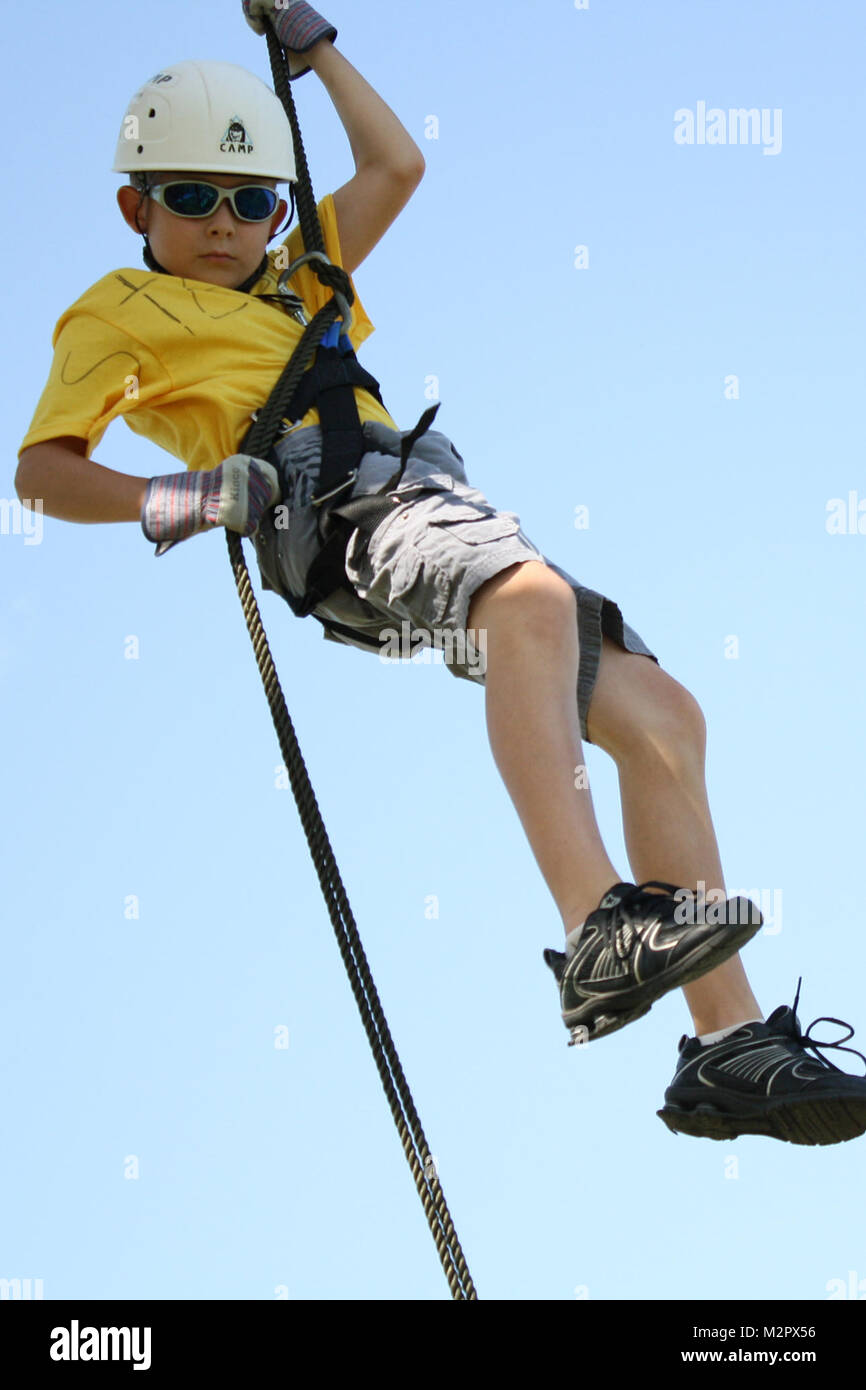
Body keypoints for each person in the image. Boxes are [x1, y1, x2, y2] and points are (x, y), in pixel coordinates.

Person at [15, 0, 866, 1147]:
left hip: (426, 490)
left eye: (252, 199)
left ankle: (728, 1043)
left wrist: (311, 43)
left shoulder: (296, 272)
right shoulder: (117, 310)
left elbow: (396, 162)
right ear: (135, 208)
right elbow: (40, 471)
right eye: (191, 199)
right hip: (331, 507)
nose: (226, 225)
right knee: (529, 601)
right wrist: (172, 495)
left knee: (662, 715)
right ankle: (593, 929)